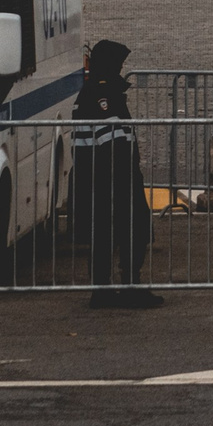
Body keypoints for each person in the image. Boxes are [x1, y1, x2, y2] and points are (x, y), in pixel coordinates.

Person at [72, 40, 157, 305]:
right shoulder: (103, 94)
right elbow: (113, 141)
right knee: (132, 227)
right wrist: (128, 173)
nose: (121, 69)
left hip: (98, 175)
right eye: (119, 64)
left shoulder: (94, 91)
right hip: (112, 177)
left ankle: (104, 288)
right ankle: (127, 286)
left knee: (105, 233)